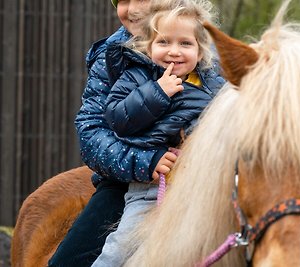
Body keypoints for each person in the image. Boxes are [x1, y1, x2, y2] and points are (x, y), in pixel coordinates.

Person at [91, 1, 224, 266]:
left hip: (200, 190)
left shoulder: (215, 85)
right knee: (119, 249)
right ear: (149, 47)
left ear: (200, 51)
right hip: (150, 190)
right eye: (164, 42)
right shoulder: (136, 78)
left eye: (185, 44)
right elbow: (118, 120)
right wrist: (157, 92)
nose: (174, 52)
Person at [48, 0, 155, 266]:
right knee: (66, 262)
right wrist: (145, 162)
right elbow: (91, 130)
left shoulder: (203, 49)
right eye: (121, 0)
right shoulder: (110, 55)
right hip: (124, 182)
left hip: (194, 180)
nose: (130, 10)